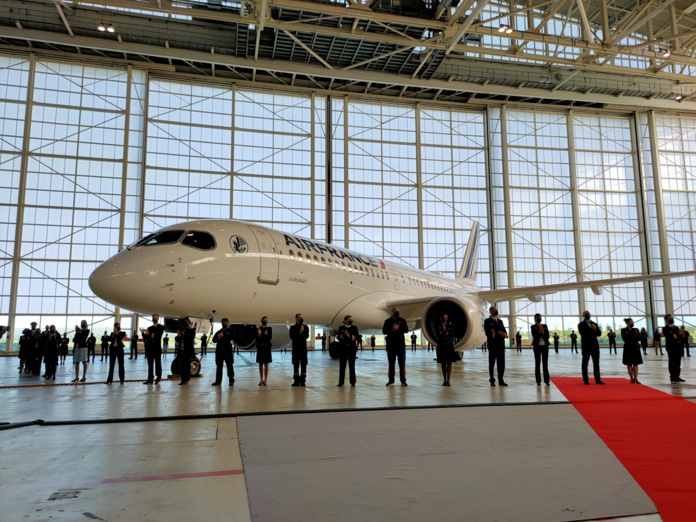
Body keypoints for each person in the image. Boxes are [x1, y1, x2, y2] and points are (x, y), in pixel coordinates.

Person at [382, 307, 408, 386]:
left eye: (398, 311)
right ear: (392, 312)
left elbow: (406, 330)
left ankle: (403, 380)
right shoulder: (387, 321)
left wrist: (398, 328)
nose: (397, 313)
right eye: (396, 312)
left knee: (402, 364)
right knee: (391, 364)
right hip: (391, 346)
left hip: (400, 346)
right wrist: (392, 329)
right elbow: (384, 331)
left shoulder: (402, 320)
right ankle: (391, 379)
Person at [578, 310, 604, 385]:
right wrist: (591, 329)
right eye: (586, 314)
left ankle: (598, 379)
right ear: (583, 316)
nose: (587, 315)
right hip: (586, 346)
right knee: (585, 363)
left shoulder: (594, 324)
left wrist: (595, 329)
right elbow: (583, 333)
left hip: (594, 346)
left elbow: (599, 333)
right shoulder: (581, 324)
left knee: (596, 363)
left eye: (588, 313)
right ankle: (585, 380)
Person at [484, 306, 508, 386]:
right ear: (490, 311)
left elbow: (504, 331)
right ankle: (492, 380)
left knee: (501, 364)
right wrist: (497, 333)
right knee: (492, 363)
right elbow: (488, 333)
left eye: (496, 310)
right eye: (494, 310)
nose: (496, 311)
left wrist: (504, 334)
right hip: (492, 345)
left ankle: (501, 379)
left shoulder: (500, 321)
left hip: (501, 345)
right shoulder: (487, 321)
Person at [142, 314, 165, 385]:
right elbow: (147, 338)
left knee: (158, 363)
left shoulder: (161, 327)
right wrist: (144, 333)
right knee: (150, 364)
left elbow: (158, 335)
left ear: (158, 318)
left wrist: (150, 334)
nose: (154, 318)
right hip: (150, 348)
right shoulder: (149, 328)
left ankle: (158, 377)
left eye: (155, 317)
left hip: (157, 348)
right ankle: (150, 378)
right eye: (153, 317)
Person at [211, 317, 234, 387]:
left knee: (229, 366)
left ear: (228, 323)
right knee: (219, 366)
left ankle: (231, 380)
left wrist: (223, 336)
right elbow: (214, 340)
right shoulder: (218, 331)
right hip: (219, 351)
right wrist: (218, 337)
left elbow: (231, 337)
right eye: (223, 322)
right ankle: (218, 381)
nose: (224, 323)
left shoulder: (230, 331)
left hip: (228, 351)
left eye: (225, 322)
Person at [337, 315, 359, 387]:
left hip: (351, 349)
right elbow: (339, 337)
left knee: (352, 366)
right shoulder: (341, 328)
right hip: (343, 349)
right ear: (345, 320)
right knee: (342, 366)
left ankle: (353, 382)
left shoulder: (354, 328)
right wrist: (344, 335)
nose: (351, 321)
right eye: (349, 320)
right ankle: (341, 382)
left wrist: (348, 336)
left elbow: (356, 337)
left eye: (352, 320)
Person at [289, 313, 310, 386]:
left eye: (302, 317)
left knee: (304, 365)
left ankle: (303, 380)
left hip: (303, 349)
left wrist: (303, 331)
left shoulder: (306, 327)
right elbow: (293, 337)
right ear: (296, 318)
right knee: (296, 365)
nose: (301, 319)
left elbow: (306, 336)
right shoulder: (292, 328)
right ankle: (296, 381)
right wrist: (300, 332)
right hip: (296, 349)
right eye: (299, 317)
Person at [663, 314, 684, 382]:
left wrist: (681, 335)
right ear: (666, 320)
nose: (671, 319)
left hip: (678, 347)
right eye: (670, 318)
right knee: (672, 362)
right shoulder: (665, 328)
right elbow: (669, 336)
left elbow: (678, 337)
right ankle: (672, 376)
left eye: (672, 318)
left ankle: (677, 376)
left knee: (678, 362)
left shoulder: (676, 327)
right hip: (671, 348)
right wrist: (675, 336)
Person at [621, 318, 643, 384]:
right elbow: (625, 339)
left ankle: (636, 378)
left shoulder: (636, 329)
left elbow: (639, 338)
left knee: (636, 363)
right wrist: (633, 335)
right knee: (629, 363)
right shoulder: (623, 330)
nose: (632, 323)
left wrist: (637, 335)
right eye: (630, 322)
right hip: (628, 348)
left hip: (636, 347)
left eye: (632, 322)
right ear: (627, 323)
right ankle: (631, 378)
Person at [436, 313, 455, 386]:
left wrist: (445, 330)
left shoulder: (450, 325)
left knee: (449, 363)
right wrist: (443, 328)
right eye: (443, 317)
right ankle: (444, 380)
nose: (445, 318)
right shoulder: (438, 325)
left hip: (449, 345)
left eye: (446, 317)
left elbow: (451, 334)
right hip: (441, 345)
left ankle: (448, 380)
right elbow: (438, 334)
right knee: (443, 363)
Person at [531, 313, 550, 386]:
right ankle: (538, 380)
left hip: (545, 346)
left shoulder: (545, 326)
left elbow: (547, 336)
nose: (539, 318)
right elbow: (535, 336)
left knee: (545, 363)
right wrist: (541, 332)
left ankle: (547, 380)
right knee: (537, 363)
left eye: (540, 317)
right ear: (535, 319)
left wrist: (542, 333)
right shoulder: (533, 327)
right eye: (537, 317)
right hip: (537, 347)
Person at [179, 317, 196, 385]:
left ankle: (186, 379)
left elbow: (191, 338)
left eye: (186, 322)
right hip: (181, 350)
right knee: (182, 366)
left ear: (189, 323)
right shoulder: (182, 330)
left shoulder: (191, 330)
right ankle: (183, 379)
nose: (185, 323)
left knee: (186, 366)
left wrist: (184, 334)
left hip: (187, 351)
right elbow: (177, 340)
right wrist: (179, 335)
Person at [256, 316, 272, 386]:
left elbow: (270, 337)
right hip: (260, 347)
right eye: (264, 320)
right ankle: (261, 379)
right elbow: (256, 338)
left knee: (266, 364)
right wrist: (259, 334)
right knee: (260, 364)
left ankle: (265, 380)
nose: (265, 321)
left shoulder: (269, 329)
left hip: (267, 348)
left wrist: (266, 334)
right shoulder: (258, 329)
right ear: (261, 321)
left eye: (266, 320)